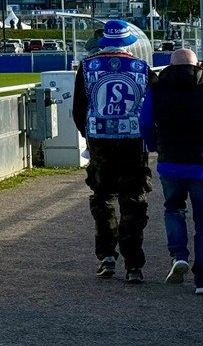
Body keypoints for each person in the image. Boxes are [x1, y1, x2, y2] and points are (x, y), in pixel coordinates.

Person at [139, 48, 203, 295]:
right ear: (198, 64)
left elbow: (146, 122)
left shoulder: (157, 88)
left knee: (173, 209)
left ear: (170, 65)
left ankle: (178, 256)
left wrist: (153, 146)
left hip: (171, 162)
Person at [73, 19, 152, 282]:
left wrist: (89, 136)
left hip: (100, 141)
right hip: (133, 142)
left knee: (103, 198)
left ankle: (106, 257)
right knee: (133, 200)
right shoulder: (143, 69)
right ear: (129, 43)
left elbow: (78, 110)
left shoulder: (86, 68)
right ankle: (134, 265)